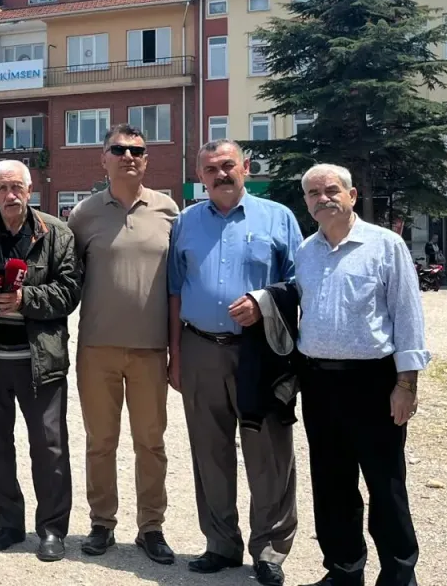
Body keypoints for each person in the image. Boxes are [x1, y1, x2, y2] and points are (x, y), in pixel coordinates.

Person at [284, 164, 429, 586]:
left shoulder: (385, 245)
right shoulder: (306, 251)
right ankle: (344, 572)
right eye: (313, 193)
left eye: (331, 190)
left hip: (373, 382)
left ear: (351, 195)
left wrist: (406, 384)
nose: (322, 198)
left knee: (386, 484)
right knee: (332, 483)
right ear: (306, 202)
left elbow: (408, 316)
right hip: (318, 383)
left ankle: (399, 575)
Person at [166, 139, 303, 586]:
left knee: (269, 452)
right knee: (209, 451)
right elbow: (175, 290)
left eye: (227, 165)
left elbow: (302, 282)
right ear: (200, 176)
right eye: (210, 169)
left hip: (260, 350)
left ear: (245, 166)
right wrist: (175, 355)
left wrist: (263, 302)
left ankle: (269, 549)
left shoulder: (277, 217)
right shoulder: (185, 222)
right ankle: (221, 543)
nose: (220, 174)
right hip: (200, 348)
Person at [0, 159, 80, 562]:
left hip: (40, 360)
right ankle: (7, 523)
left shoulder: (56, 233)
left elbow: (70, 291)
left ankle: (52, 529)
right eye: (3, 189)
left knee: (49, 447)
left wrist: (25, 300)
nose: (11, 195)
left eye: (17, 187)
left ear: (30, 189)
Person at [67, 124, 179, 564]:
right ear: (104, 159)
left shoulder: (169, 211)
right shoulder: (84, 215)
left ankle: (151, 527)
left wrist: (177, 349)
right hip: (97, 349)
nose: (128, 156)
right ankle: (102, 523)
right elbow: (65, 276)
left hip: (150, 349)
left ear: (146, 160)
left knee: (151, 443)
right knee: (100, 441)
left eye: (137, 150)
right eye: (118, 149)